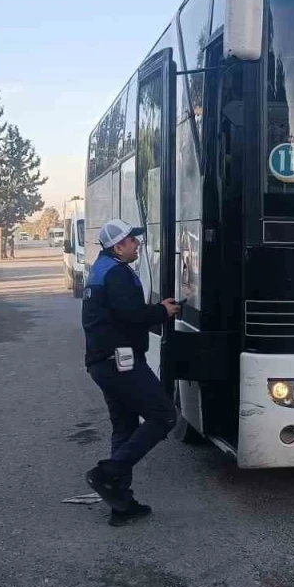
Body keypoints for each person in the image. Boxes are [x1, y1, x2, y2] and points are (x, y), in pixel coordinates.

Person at [81, 219, 180, 526]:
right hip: (119, 362)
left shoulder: (101, 270)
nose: (137, 244)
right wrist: (162, 311)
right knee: (163, 416)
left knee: (124, 428)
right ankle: (107, 473)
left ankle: (120, 503)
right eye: (132, 240)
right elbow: (132, 316)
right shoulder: (117, 274)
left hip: (103, 363)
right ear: (117, 246)